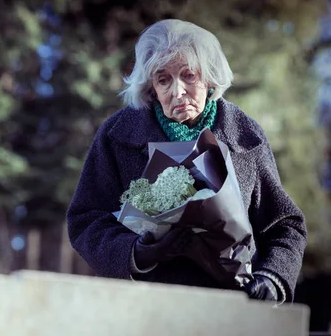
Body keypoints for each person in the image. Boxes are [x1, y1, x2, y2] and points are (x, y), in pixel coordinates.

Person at [66, 19, 307, 304]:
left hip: (232, 310)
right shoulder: (117, 134)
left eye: (188, 75)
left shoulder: (245, 134)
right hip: (147, 309)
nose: (177, 91)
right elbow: (86, 219)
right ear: (151, 86)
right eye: (163, 79)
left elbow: (285, 225)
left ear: (209, 78)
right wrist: (135, 252)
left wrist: (273, 278)